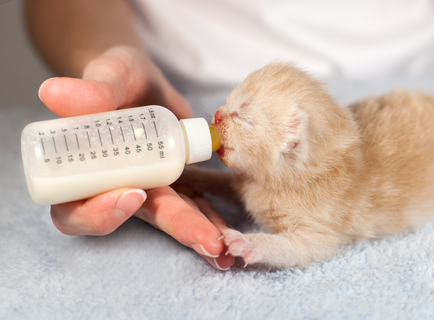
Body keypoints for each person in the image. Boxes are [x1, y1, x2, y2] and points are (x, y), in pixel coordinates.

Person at [25, 0, 434, 271]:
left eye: (244, 117)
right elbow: (247, 185)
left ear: (291, 143)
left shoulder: (318, 197)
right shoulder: (275, 167)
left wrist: (258, 247)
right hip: (165, 73)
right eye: (234, 100)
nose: (220, 115)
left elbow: (314, 244)